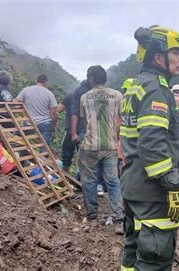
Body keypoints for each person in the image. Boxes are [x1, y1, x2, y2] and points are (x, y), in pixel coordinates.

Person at [120, 25, 179, 270]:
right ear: (158, 56)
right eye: (175, 52)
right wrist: (172, 183)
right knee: (155, 259)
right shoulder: (158, 90)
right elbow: (151, 143)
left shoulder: (136, 85)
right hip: (152, 192)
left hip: (133, 185)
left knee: (132, 254)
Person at [78, 65, 124, 223]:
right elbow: (122, 119)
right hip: (110, 146)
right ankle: (118, 215)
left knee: (89, 181)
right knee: (113, 181)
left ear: (91, 78)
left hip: (90, 146)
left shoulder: (84, 97)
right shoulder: (117, 95)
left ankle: (92, 214)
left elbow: (85, 123)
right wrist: (115, 135)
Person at [16, 74, 58, 148]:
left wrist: (23, 116)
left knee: (20, 141)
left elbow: (16, 104)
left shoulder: (26, 90)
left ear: (36, 81)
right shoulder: (49, 94)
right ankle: (43, 158)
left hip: (29, 123)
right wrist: (54, 127)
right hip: (44, 124)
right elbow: (53, 113)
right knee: (44, 147)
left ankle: (20, 157)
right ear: (46, 83)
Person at [57, 93, 75, 173]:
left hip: (70, 129)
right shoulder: (91, 97)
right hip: (86, 131)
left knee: (67, 153)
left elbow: (59, 109)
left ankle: (65, 174)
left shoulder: (70, 96)